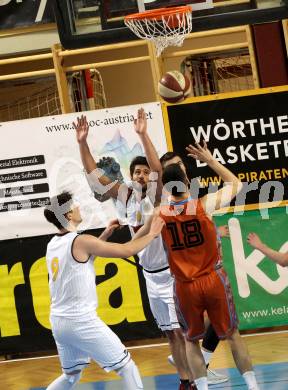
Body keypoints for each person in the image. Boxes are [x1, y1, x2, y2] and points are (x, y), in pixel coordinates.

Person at [75, 109, 197, 389]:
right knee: (171, 336)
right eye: (137, 172)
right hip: (150, 275)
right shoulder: (124, 194)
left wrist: (142, 135)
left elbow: (158, 169)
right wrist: (82, 143)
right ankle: (185, 381)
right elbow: (95, 178)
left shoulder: (157, 193)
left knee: (183, 332)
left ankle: (198, 377)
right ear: (131, 176)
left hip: (172, 272)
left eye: (145, 172)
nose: (143, 175)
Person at [156, 142, 259, 390]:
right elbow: (236, 185)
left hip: (185, 285)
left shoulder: (159, 214)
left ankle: (200, 387)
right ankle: (253, 386)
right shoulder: (203, 205)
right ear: (184, 178)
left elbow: (140, 244)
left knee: (190, 341)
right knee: (233, 335)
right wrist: (211, 160)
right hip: (212, 278)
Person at [44, 191, 164, 390]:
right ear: (68, 215)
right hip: (80, 320)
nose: (78, 207)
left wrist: (105, 234)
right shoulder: (81, 241)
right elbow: (127, 250)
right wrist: (152, 234)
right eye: (74, 205)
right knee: (126, 367)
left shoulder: (53, 244)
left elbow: (83, 260)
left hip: (59, 322)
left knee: (71, 375)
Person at [160, 151, 229, 385]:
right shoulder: (165, 205)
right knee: (193, 332)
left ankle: (200, 365)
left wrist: (213, 232)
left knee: (208, 322)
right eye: (174, 166)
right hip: (181, 276)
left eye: (180, 163)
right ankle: (196, 369)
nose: (180, 167)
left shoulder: (190, 200)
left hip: (195, 273)